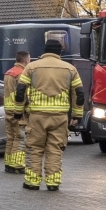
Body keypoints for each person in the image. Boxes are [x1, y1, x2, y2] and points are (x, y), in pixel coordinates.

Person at [16, 39, 83, 191]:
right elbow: (79, 94)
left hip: (37, 116)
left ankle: (32, 182)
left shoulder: (31, 67)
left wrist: (18, 112)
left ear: (44, 51)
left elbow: (20, 91)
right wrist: (77, 115)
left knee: (35, 148)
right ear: (60, 52)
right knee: (55, 149)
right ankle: (53, 183)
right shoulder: (70, 69)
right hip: (60, 117)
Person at [2, 51, 31, 174]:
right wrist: (29, 109)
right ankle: (17, 164)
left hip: (8, 109)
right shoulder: (22, 74)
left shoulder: (9, 72)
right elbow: (24, 94)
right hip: (19, 111)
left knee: (11, 138)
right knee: (20, 138)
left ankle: (8, 164)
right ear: (26, 60)